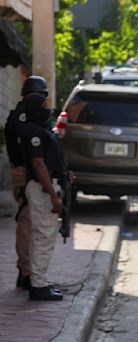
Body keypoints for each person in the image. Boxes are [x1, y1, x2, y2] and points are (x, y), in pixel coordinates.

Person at [18, 93, 67, 301]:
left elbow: (48, 161)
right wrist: (52, 196)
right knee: (44, 236)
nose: (48, 108)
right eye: (44, 105)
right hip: (41, 189)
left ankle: (39, 281)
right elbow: (38, 165)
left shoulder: (40, 130)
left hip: (44, 187)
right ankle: (38, 285)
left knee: (42, 236)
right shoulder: (34, 133)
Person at [3, 76, 49, 289]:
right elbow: (29, 148)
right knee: (27, 221)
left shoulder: (23, 115)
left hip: (28, 170)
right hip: (24, 171)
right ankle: (26, 272)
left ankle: (27, 270)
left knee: (30, 221)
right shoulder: (22, 118)